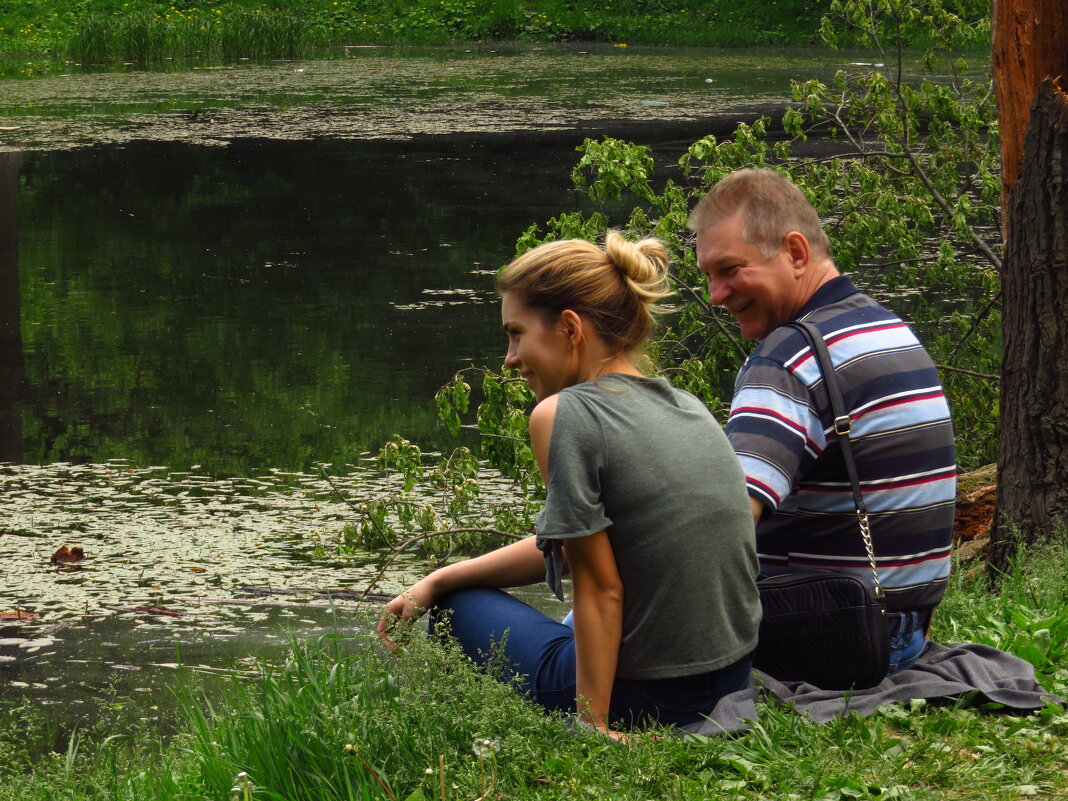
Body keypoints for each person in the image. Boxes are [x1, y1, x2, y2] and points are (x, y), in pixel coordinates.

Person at [377, 232, 761, 736]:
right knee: (454, 589)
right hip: (730, 684)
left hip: (649, 697)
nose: (509, 359)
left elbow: (601, 586)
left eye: (517, 334)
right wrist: (441, 576)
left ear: (569, 327)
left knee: (458, 609)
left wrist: (593, 725)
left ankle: (479, 731)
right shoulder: (684, 404)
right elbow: (579, 545)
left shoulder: (563, 414)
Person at [688, 168, 957, 674]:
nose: (715, 294)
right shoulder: (890, 328)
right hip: (903, 635)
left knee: (504, 620)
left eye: (728, 270)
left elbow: (724, 525)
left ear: (795, 252)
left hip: (824, 640)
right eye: (709, 275)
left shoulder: (789, 357)